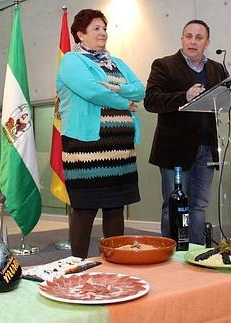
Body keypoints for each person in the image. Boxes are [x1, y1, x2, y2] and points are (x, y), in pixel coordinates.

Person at [56, 9, 145, 258]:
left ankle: (115, 262)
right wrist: (124, 102)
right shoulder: (72, 62)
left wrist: (116, 87)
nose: (103, 33)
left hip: (121, 150)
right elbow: (91, 91)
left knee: (115, 208)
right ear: (80, 34)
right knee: (85, 208)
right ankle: (78, 264)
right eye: (96, 28)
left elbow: (140, 90)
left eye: (104, 28)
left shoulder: (116, 62)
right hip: (85, 149)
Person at [144, 19, 227, 244]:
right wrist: (184, 96)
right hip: (174, 150)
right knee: (173, 204)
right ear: (182, 39)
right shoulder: (164, 65)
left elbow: (226, 99)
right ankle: (171, 256)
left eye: (199, 38)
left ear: (207, 42)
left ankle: (197, 253)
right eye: (188, 36)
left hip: (207, 148)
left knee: (199, 205)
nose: (193, 41)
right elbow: (150, 101)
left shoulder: (217, 68)